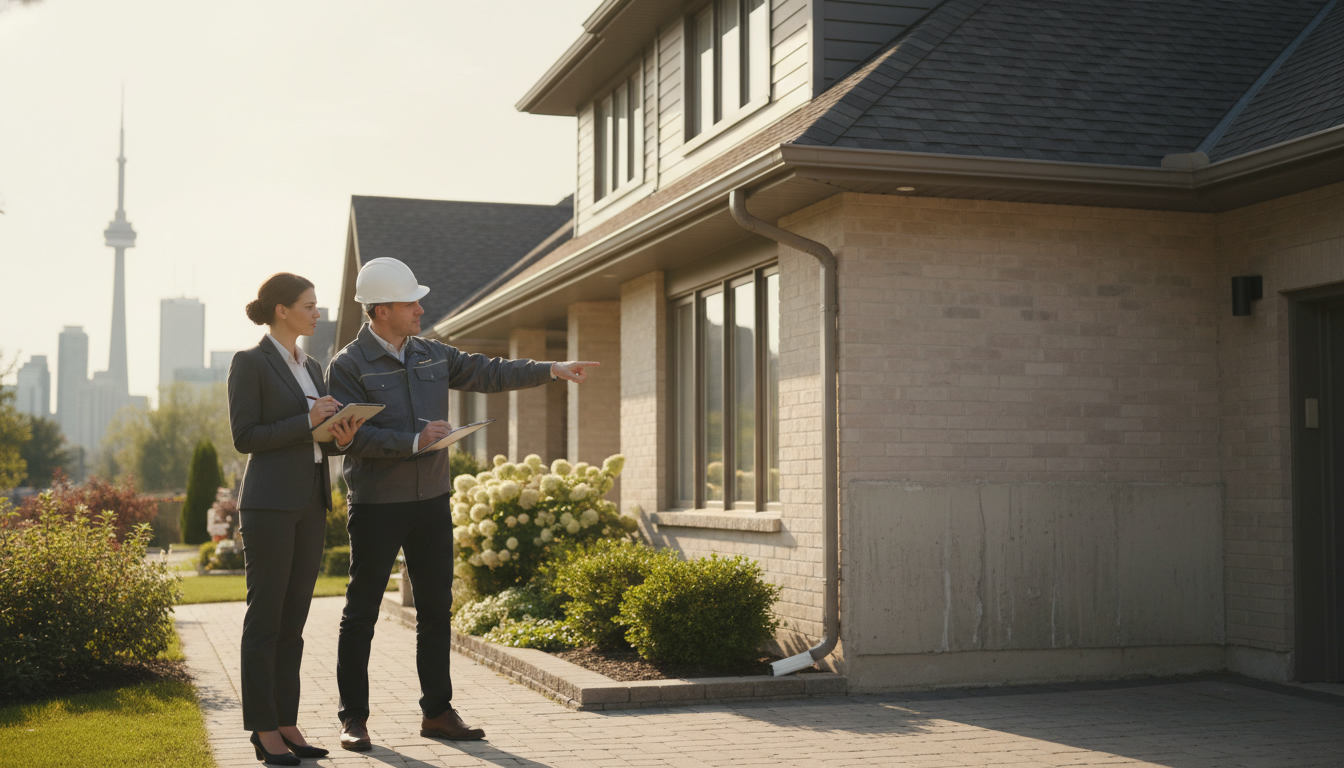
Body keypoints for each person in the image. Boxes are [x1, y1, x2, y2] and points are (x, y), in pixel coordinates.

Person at [327, 257, 598, 751]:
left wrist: (553, 369)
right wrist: (414, 439)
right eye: (411, 302)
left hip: (431, 499)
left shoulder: (431, 353)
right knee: (361, 610)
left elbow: (489, 371)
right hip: (377, 504)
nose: (420, 308)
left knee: (436, 608)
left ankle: (437, 713)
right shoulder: (347, 366)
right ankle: (354, 719)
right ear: (382, 310)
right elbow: (350, 439)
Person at [227, 273, 367, 765]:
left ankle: (287, 720)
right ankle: (263, 729)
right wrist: (308, 422)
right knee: (265, 620)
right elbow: (245, 436)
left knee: (294, 621)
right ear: (282, 310)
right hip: (267, 504)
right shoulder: (250, 362)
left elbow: (318, 439)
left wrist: (340, 433)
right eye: (309, 305)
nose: (317, 313)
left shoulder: (312, 366)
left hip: (311, 501)